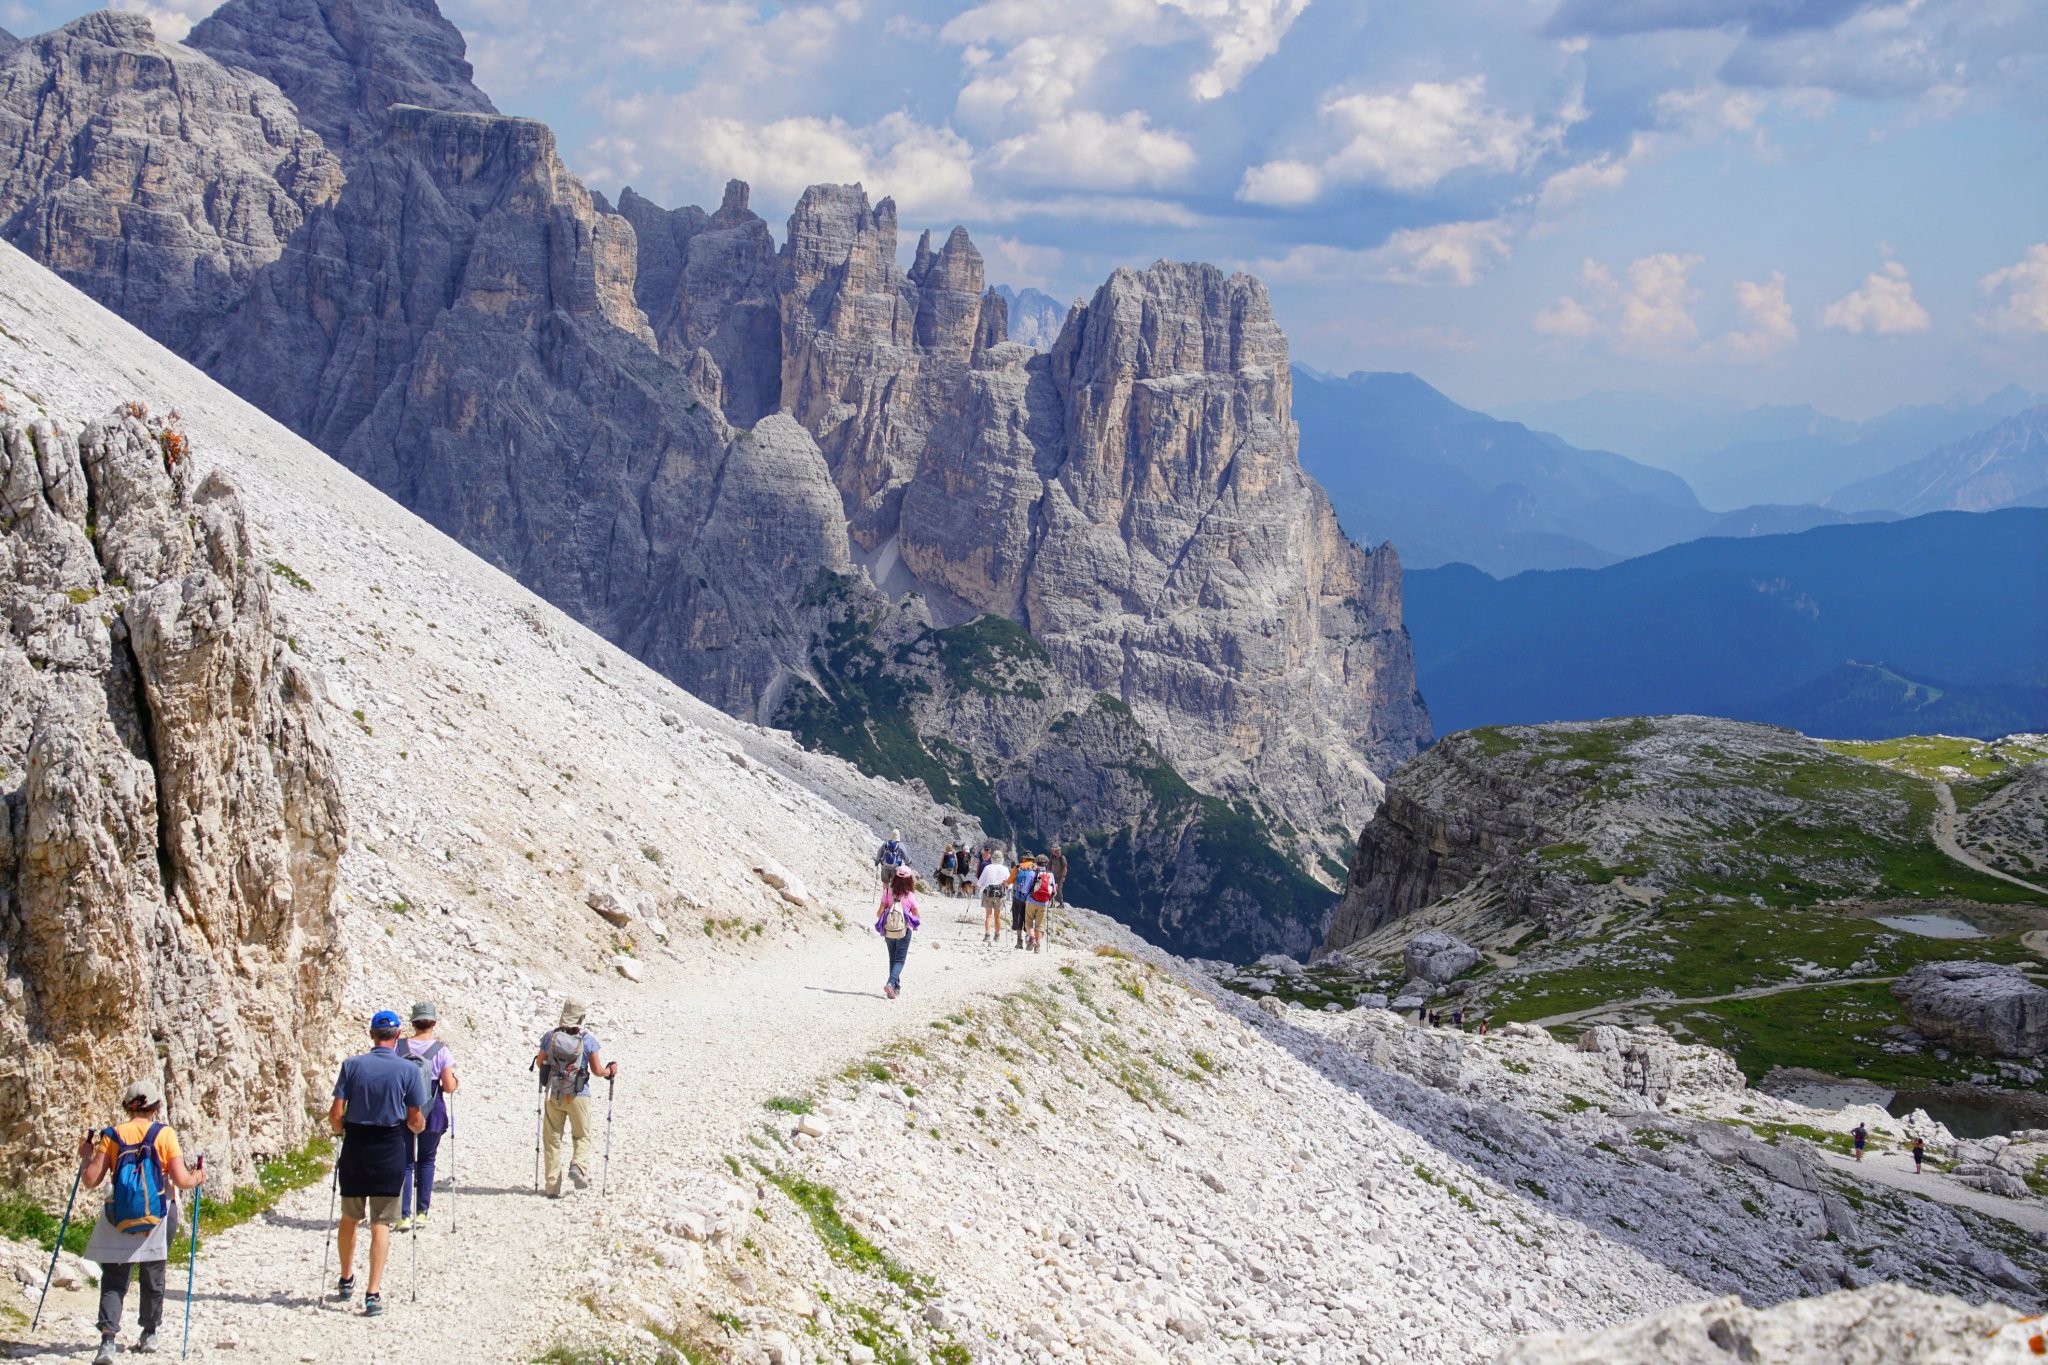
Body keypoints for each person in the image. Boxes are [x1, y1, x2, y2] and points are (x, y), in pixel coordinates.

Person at [77, 1079, 206, 1364]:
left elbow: (90, 1180)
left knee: (114, 1278)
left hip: (119, 1215)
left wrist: (86, 1156)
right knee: (153, 1272)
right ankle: (149, 1333)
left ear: (127, 1107)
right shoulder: (164, 1134)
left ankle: (108, 1340)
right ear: (156, 1106)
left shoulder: (111, 1135)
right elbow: (181, 1181)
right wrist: (198, 1176)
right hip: (158, 1214)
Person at [329, 1010, 429, 1316]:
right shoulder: (408, 1070)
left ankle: (346, 1279)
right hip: (389, 1149)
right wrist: (420, 1126)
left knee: (349, 1217)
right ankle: (373, 1293)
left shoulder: (351, 1065)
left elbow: (335, 1115)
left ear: (372, 1035)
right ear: (398, 1036)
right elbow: (414, 1120)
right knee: (381, 1223)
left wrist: (341, 1130)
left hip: (356, 1148)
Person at [534, 1000, 618, 1200]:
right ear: (581, 1018)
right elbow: (598, 1071)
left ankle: (552, 1187)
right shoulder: (588, 1040)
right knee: (581, 1136)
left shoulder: (550, 1037)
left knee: (552, 1139)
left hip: (554, 1093)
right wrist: (611, 1071)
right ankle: (578, 1166)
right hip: (579, 1095)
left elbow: (539, 1062)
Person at [395, 1001, 459, 1232]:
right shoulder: (441, 1049)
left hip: (403, 1109)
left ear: (413, 1023)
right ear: (433, 1023)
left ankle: (402, 1215)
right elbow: (449, 1086)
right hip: (432, 1108)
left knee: (405, 1161)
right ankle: (422, 1212)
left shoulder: (398, 1047)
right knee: (427, 1159)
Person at [876, 866, 921, 999]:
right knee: (900, 960)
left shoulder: (887, 892)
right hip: (904, 931)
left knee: (892, 959)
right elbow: (916, 915)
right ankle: (891, 983)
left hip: (889, 931)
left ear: (895, 877)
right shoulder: (910, 896)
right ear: (909, 880)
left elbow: (879, 913)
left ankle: (895, 988)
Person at [976, 849, 1011, 945]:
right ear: (1001, 859)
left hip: (988, 893)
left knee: (988, 915)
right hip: (1000, 895)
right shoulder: (1005, 869)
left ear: (992, 858)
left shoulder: (987, 868)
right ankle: (997, 935)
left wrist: (977, 886)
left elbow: (980, 883)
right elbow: (1009, 884)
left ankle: (987, 935)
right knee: (997, 917)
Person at [1008, 855, 1040, 950]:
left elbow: (1010, 881)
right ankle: (1028, 940)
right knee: (1028, 919)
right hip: (1030, 898)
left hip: (1018, 897)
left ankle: (1019, 942)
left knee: (1018, 917)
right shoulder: (1035, 867)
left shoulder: (1018, 867)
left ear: (1023, 858)